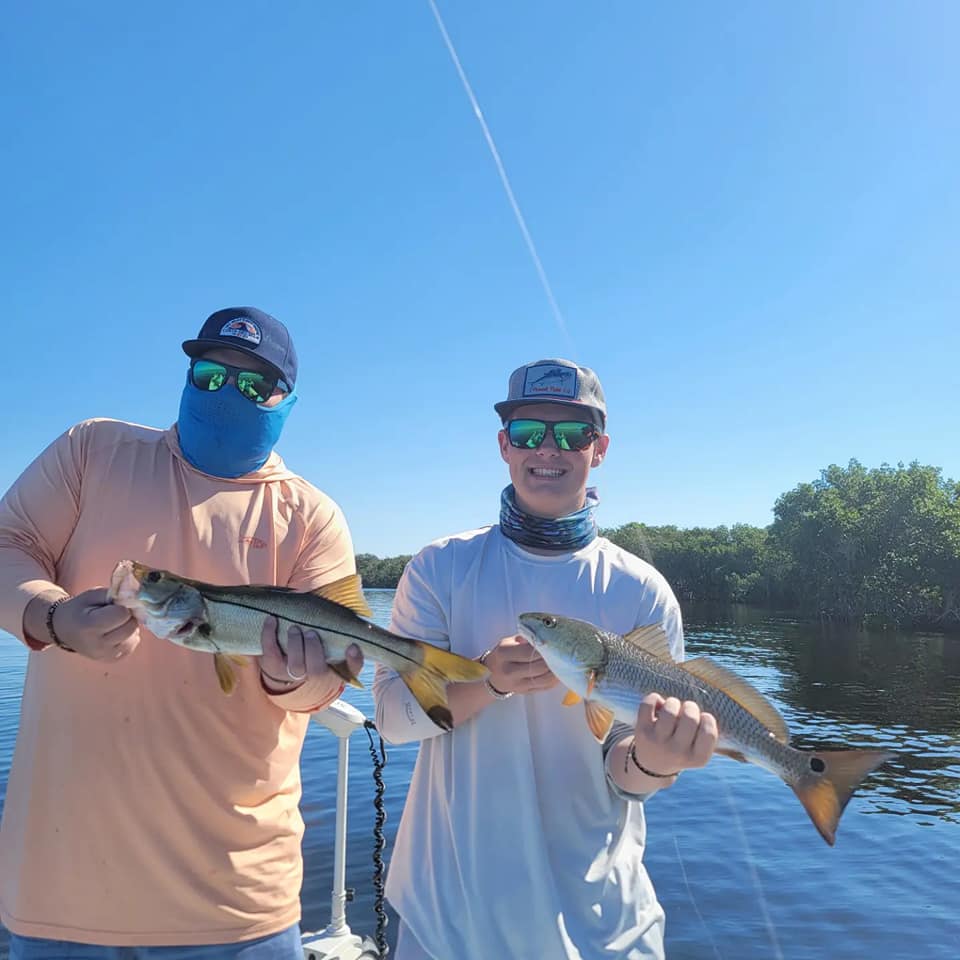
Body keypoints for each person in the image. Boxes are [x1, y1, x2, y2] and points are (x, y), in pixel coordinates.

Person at [0, 307, 364, 959]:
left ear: (289, 399)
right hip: (60, 896)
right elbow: (8, 544)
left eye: (255, 383)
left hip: (238, 907)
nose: (228, 391)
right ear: (186, 374)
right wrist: (50, 616)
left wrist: (294, 676)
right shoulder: (94, 450)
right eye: (211, 372)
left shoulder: (311, 517)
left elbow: (324, 681)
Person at [373, 358, 719, 960]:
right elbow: (393, 720)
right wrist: (486, 681)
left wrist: (658, 762)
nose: (549, 450)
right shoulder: (440, 567)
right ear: (505, 446)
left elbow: (624, 771)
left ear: (600, 448)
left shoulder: (641, 590)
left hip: (602, 930)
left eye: (573, 433)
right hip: (449, 920)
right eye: (530, 432)